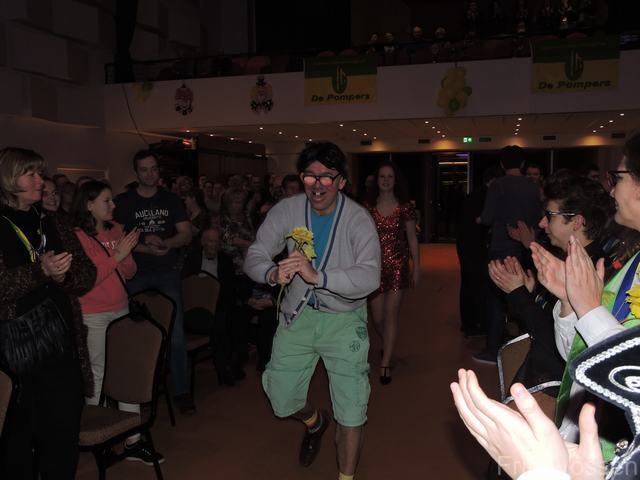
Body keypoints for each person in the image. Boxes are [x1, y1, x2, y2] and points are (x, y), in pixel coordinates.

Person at [244, 142, 381, 480]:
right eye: (310, 176)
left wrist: (318, 276)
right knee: (282, 399)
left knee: (351, 411)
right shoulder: (287, 210)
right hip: (298, 315)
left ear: (341, 182)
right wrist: (272, 273)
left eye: (326, 177)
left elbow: (370, 276)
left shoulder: (358, 219)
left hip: (344, 320)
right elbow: (256, 254)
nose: (317, 185)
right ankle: (315, 421)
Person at [531, 133, 640, 461]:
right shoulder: (633, 260)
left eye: (618, 178)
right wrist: (569, 301)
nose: (612, 189)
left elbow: (631, 377)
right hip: (589, 432)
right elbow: (576, 353)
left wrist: (590, 309)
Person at [0, 147, 96, 479]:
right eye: (32, 174)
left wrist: (62, 277)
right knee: (16, 439)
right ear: (9, 179)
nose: (41, 181)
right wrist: (39, 271)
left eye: (40, 174)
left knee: (62, 434)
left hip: (60, 346)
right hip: (14, 353)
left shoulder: (53, 221)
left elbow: (87, 274)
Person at [488, 172, 613, 390]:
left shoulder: (593, 272)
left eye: (550, 215)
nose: (542, 223)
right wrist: (529, 292)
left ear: (576, 222)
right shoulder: (569, 260)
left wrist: (519, 294)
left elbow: (557, 343)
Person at [69, 180, 164, 465]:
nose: (113, 205)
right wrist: (117, 256)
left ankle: (133, 440)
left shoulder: (117, 230)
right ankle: (96, 436)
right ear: (89, 205)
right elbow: (88, 280)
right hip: (93, 313)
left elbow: (130, 272)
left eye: (112, 199)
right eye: (106, 200)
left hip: (121, 307)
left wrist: (123, 257)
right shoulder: (77, 237)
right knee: (96, 374)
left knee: (126, 371)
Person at [113, 150, 194, 414]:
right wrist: (145, 246)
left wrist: (166, 243)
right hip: (134, 273)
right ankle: (134, 390)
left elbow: (185, 234)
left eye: (154, 169)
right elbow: (115, 240)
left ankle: (182, 391)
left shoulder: (170, 199)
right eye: (144, 169)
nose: (150, 174)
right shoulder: (123, 201)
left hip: (166, 272)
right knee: (131, 333)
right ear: (136, 172)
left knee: (176, 334)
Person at [474, 146, 542, 364]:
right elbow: (538, 219)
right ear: (522, 164)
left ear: (502, 164)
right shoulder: (532, 187)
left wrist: (479, 219)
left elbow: (487, 217)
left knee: (495, 298)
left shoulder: (498, 185)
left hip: (500, 247)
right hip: (525, 247)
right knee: (522, 296)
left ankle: (493, 349)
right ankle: (528, 345)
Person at [365, 161, 419, 385]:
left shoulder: (404, 206)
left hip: (397, 265)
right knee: (378, 318)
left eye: (390, 176)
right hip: (373, 268)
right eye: (382, 176)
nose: (386, 180)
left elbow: (412, 239)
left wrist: (416, 268)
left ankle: (385, 363)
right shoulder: (368, 207)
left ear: (396, 180)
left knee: (391, 314)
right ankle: (388, 343)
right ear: (377, 180)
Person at [183, 226, 239, 386]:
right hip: (194, 307)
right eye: (210, 241)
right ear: (202, 242)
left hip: (217, 305)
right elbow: (184, 285)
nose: (213, 245)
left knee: (222, 320)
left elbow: (230, 288)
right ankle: (225, 369)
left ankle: (225, 368)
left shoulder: (225, 261)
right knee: (219, 325)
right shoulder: (191, 258)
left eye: (216, 242)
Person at [456, 165, 503, 337]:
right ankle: (478, 323)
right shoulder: (486, 196)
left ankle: (468, 323)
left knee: (467, 284)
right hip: (475, 246)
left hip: (465, 244)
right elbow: (483, 221)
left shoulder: (475, 195)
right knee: (477, 285)